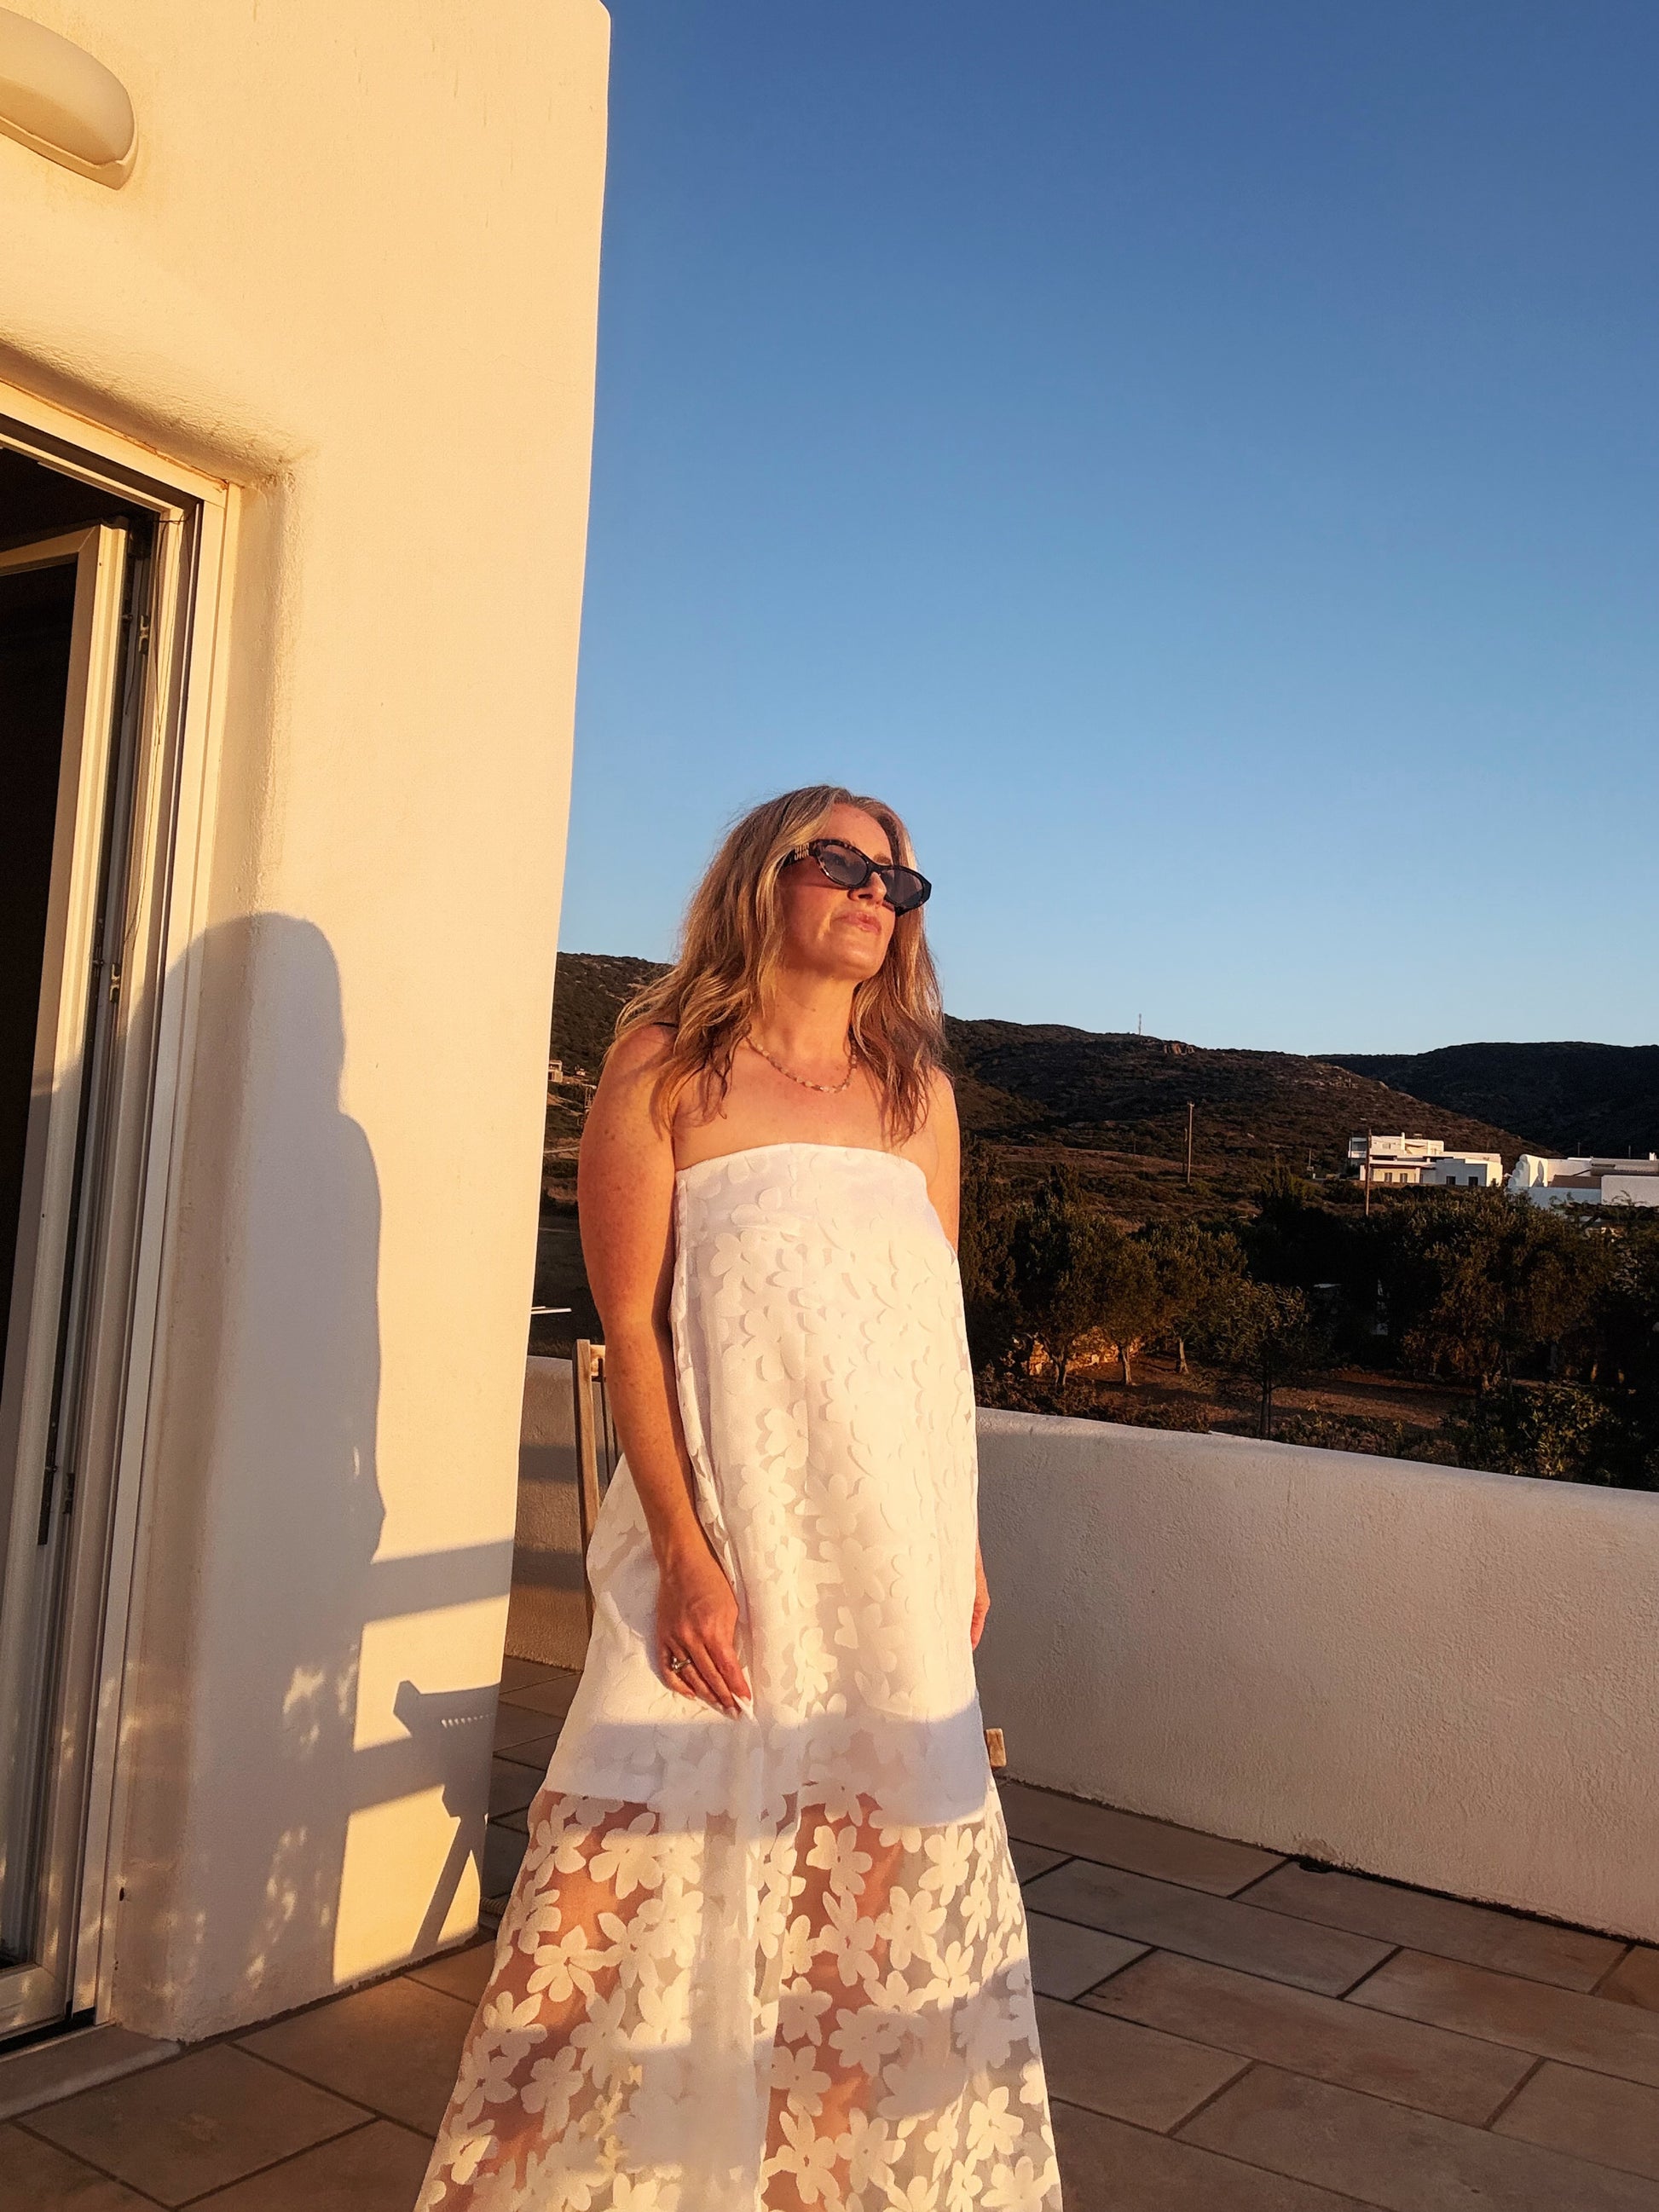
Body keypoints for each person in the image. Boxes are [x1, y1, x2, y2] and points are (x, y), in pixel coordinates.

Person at [419, 786, 1061, 2212]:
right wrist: (686, 1559)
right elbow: (628, 1329)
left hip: (890, 1546)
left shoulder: (918, 1098)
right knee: (631, 1861)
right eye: (836, 861)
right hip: (724, 1536)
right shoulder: (661, 1072)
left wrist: (956, 1535)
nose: (873, 894)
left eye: (898, 880)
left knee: (868, 1868)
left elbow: (927, 1335)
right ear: (755, 881)